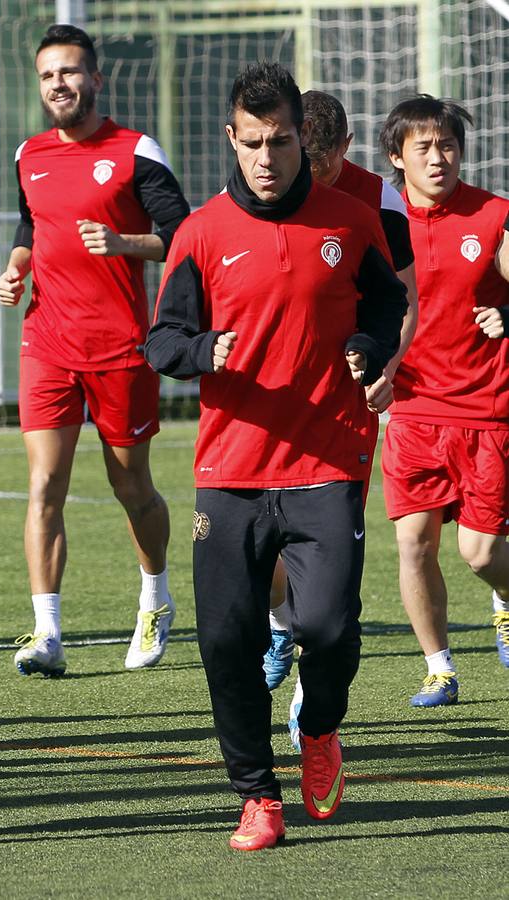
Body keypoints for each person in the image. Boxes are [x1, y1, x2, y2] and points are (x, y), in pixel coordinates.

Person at [144, 62, 406, 851]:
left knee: (326, 626)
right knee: (227, 641)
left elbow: (386, 300)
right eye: (251, 142)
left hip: (325, 463)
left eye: (281, 141)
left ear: (302, 138)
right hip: (228, 473)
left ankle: (320, 727)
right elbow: (161, 340)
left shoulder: (349, 220)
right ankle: (256, 795)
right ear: (231, 137)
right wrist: (202, 351)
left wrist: (367, 345)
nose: (266, 157)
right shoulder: (199, 233)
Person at [0, 24, 190, 676]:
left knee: (129, 484)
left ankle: (154, 596)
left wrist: (123, 243)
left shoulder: (135, 151)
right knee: (42, 483)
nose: (59, 84)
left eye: (70, 72)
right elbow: (31, 222)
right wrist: (16, 265)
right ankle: (46, 632)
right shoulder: (29, 154)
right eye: (48, 74)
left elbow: (185, 238)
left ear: (95, 79)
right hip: (46, 340)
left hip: (120, 347)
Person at [262, 89, 419, 691]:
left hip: (344, 394)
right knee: (265, 542)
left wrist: (389, 365)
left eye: (325, 162)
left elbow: (405, 297)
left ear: (346, 150)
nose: (312, 171)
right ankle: (280, 622)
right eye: (305, 154)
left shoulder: (378, 200)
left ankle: (312, 683)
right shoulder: (263, 182)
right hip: (274, 390)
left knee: (326, 544)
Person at [378, 94, 509, 706]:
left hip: (487, 410)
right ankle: (440, 667)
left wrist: (507, 314)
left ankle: (504, 596)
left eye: (448, 146)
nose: (439, 158)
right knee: (414, 543)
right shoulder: (379, 223)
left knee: (480, 555)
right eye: (424, 148)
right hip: (411, 412)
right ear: (397, 158)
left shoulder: (493, 216)